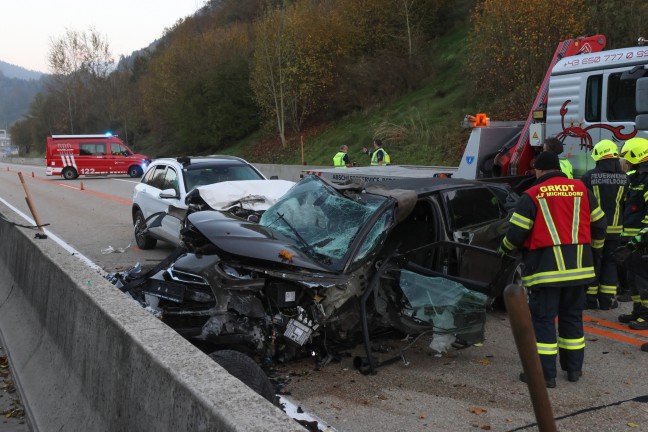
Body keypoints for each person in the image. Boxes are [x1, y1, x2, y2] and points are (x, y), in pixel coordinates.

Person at [498, 151, 606, 388]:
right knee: (572, 319)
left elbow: (516, 234)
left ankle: (545, 376)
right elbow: (600, 226)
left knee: (544, 321)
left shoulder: (532, 195)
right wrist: (595, 254)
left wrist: (504, 250)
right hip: (580, 270)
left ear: (539, 170)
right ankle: (574, 369)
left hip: (546, 273)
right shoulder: (582, 190)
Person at [581, 140, 628, 310]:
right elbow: (625, 204)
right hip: (616, 230)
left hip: (594, 229)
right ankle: (607, 301)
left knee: (593, 261)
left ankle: (590, 300)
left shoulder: (588, 177)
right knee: (610, 262)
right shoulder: (624, 179)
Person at [616, 137, 648, 330]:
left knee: (643, 279)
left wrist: (640, 238)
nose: (624, 162)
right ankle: (638, 311)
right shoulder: (635, 179)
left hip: (642, 241)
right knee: (632, 278)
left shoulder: (646, 181)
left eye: (627, 158)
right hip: (630, 240)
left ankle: (646, 315)